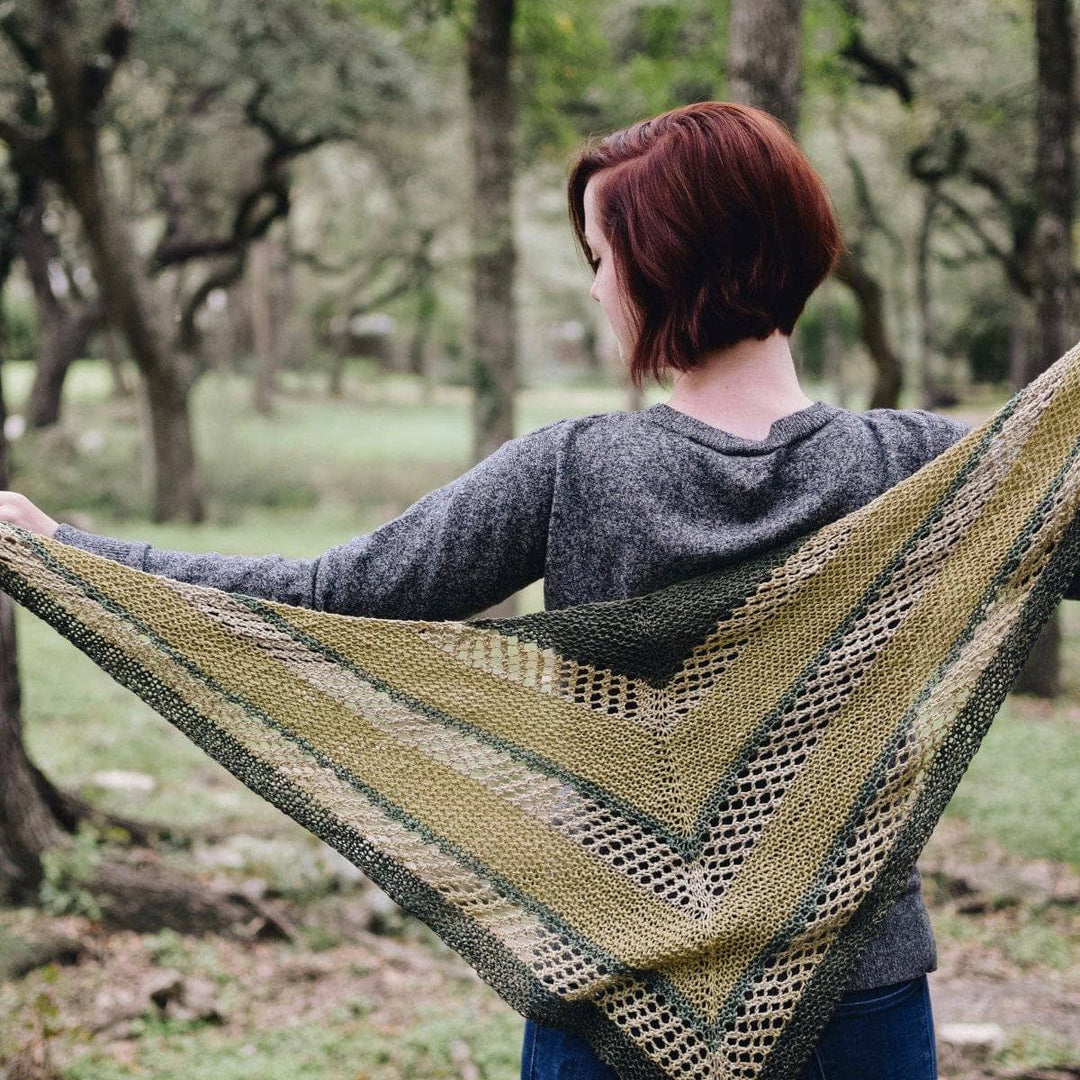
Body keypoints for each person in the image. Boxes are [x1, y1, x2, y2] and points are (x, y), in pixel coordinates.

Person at [7, 100, 1070, 1079]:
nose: (598, 285)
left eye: (602, 257)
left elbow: (332, 591)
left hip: (609, 1004)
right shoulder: (926, 472)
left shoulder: (572, 469)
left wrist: (73, 553)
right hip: (862, 998)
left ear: (664, 266)